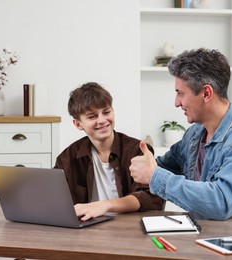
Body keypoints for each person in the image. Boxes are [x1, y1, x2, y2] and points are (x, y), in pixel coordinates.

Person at [129, 48, 232, 220]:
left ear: (206, 93)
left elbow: (220, 203)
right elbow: (161, 166)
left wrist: (155, 176)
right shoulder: (195, 134)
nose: (176, 103)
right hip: (207, 234)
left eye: (180, 93)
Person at [54, 82, 163, 221]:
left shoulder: (136, 149)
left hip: (129, 227)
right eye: (92, 116)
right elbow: (54, 199)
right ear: (78, 124)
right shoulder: (67, 157)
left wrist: (106, 205)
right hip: (86, 228)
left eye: (106, 112)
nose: (102, 120)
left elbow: (150, 197)